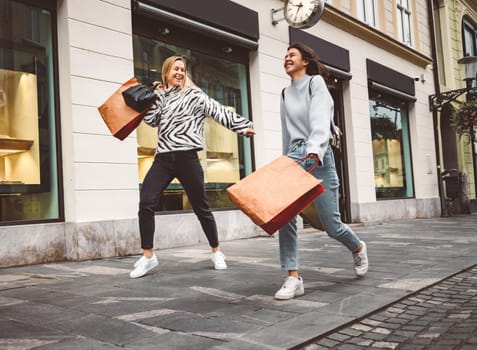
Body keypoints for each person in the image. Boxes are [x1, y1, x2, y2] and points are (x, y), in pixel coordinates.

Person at [130, 56, 255, 279]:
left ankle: (216, 251)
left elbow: (218, 111)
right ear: (166, 72)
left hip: (188, 158)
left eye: (183, 69)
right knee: (146, 202)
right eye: (176, 69)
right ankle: (148, 256)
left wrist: (243, 127)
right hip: (163, 159)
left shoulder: (194, 95)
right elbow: (151, 121)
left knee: (201, 207)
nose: (180, 72)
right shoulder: (161, 96)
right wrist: (153, 94)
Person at [275, 42, 368, 300]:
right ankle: (293, 277)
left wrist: (315, 150)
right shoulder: (284, 93)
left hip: (319, 155)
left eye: (292, 55)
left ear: (305, 61)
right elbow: (287, 131)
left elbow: (320, 117)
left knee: (331, 225)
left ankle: (358, 247)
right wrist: (285, 161)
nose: (287, 58)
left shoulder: (315, 83)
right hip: (295, 155)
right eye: (285, 55)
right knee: (286, 217)